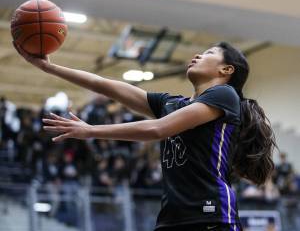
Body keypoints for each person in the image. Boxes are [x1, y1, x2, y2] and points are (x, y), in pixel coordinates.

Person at [14, 41, 276, 231]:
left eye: (208, 53)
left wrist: (91, 130)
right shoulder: (171, 102)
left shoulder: (224, 96)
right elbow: (104, 85)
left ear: (226, 70)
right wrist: (49, 68)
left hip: (212, 216)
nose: (197, 55)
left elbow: (157, 129)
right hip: (171, 217)